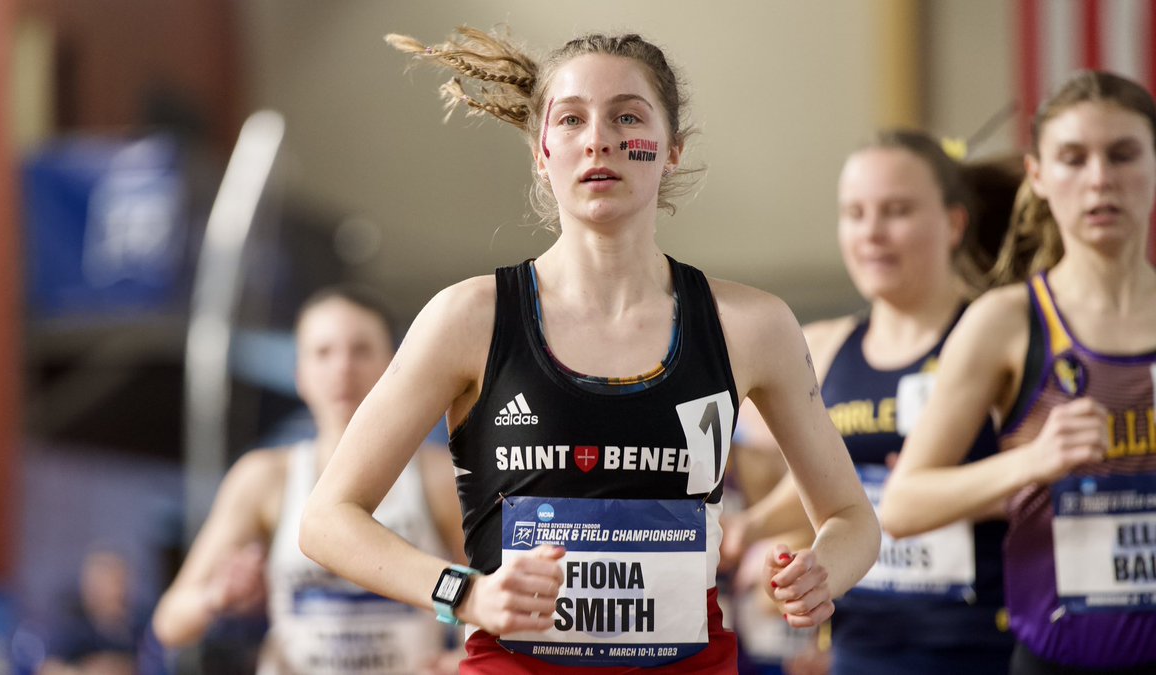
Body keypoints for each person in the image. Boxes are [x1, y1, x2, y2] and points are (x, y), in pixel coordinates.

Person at [299, 27, 879, 673]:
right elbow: (326, 519)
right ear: (541, 154)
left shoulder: (752, 324)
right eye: (571, 119)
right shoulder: (467, 318)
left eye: (627, 115)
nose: (598, 138)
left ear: (672, 149)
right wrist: (464, 593)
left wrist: (823, 568)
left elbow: (853, 515)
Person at [880, 70, 1156, 673]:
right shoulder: (1007, 322)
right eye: (1073, 158)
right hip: (1056, 658)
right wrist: (1032, 461)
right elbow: (902, 506)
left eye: (1123, 154)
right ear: (1038, 175)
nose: (1100, 179)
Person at [720, 130, 1020, 674]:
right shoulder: (824, 345)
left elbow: (1051, 474)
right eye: (855, 214)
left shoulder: (1000, 338)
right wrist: (753, 526)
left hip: (980, 646)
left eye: (897, 211)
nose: (873, 233)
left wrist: (930, 494)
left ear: (954, 223)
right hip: (862, 647)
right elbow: (836, 479)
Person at [152, 286, 466, 674]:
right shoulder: (265, 478)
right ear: (299, 374)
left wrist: (464, 662)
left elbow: (487, 597)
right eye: (323, 352)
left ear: (393, 365)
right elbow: (170, 622)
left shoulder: (438, 477)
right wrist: (215, 597)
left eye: (361, 350)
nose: (342, 368)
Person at [39, 549, 148, 675]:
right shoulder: (71, 624)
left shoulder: (138, 627)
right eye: (111, 581)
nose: (118, 591)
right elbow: (48, 669)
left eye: (121, 581)